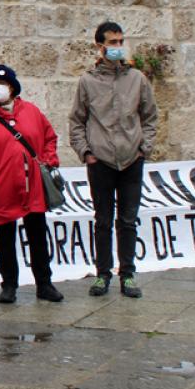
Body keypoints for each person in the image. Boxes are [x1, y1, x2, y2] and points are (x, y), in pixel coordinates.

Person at [68, 21, 158, 298]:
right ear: (100, 45)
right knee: (103, 221)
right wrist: (86, 152)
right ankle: (102, 274)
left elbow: (150, 116)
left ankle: (128, 274)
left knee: (128, 221)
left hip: (131, 159)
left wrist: (144, 148)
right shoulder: (88, 81)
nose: (118, 47)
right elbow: (76, 120)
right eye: (112, 42)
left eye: (121, 41)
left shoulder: (137, 79)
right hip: (101, 161)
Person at [0, 65, 64, 304]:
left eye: (1, 84)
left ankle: (44, 283)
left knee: (37, 235)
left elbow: (49, 138)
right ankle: (9, 284)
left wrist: (48, 159)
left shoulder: (32, 112)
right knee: (5, 238)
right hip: (2, 187)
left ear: (12, 87)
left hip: (32, 185)